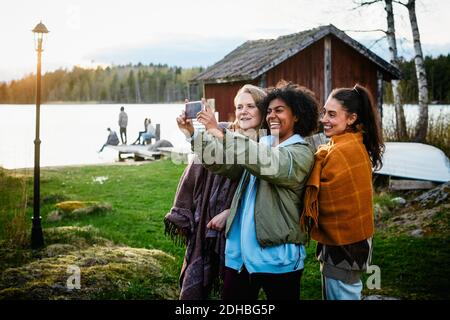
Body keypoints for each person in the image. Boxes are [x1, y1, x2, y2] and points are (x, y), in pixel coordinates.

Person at [194, 81, 319, 300]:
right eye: (269, 111)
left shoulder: (301, 153)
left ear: (297, 116)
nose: (272, 116)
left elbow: (270, 165)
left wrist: (219, 132)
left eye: (279, 111)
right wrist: (195, 135)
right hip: (240, 257)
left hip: (277, 259)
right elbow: (221, 164)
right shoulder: (264, 145)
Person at [165, 84, 267, 300]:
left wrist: (232, 211)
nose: (243, 111)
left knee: (237, 290)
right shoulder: (222, 129)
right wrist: (191, 132)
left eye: (251, 105)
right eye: (239, 106)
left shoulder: (265, 143)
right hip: (208, 216)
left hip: (244, 226)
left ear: (263, 109)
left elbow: (249, 178)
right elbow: (208, 158)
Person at [300, 84, 385, 300]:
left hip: (344, 245)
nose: (324, 119)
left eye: (332, 114)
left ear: (351, 118)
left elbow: (329, 200)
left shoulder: (342, 150)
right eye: (324, 112)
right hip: (352, 241)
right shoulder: (349, 143)